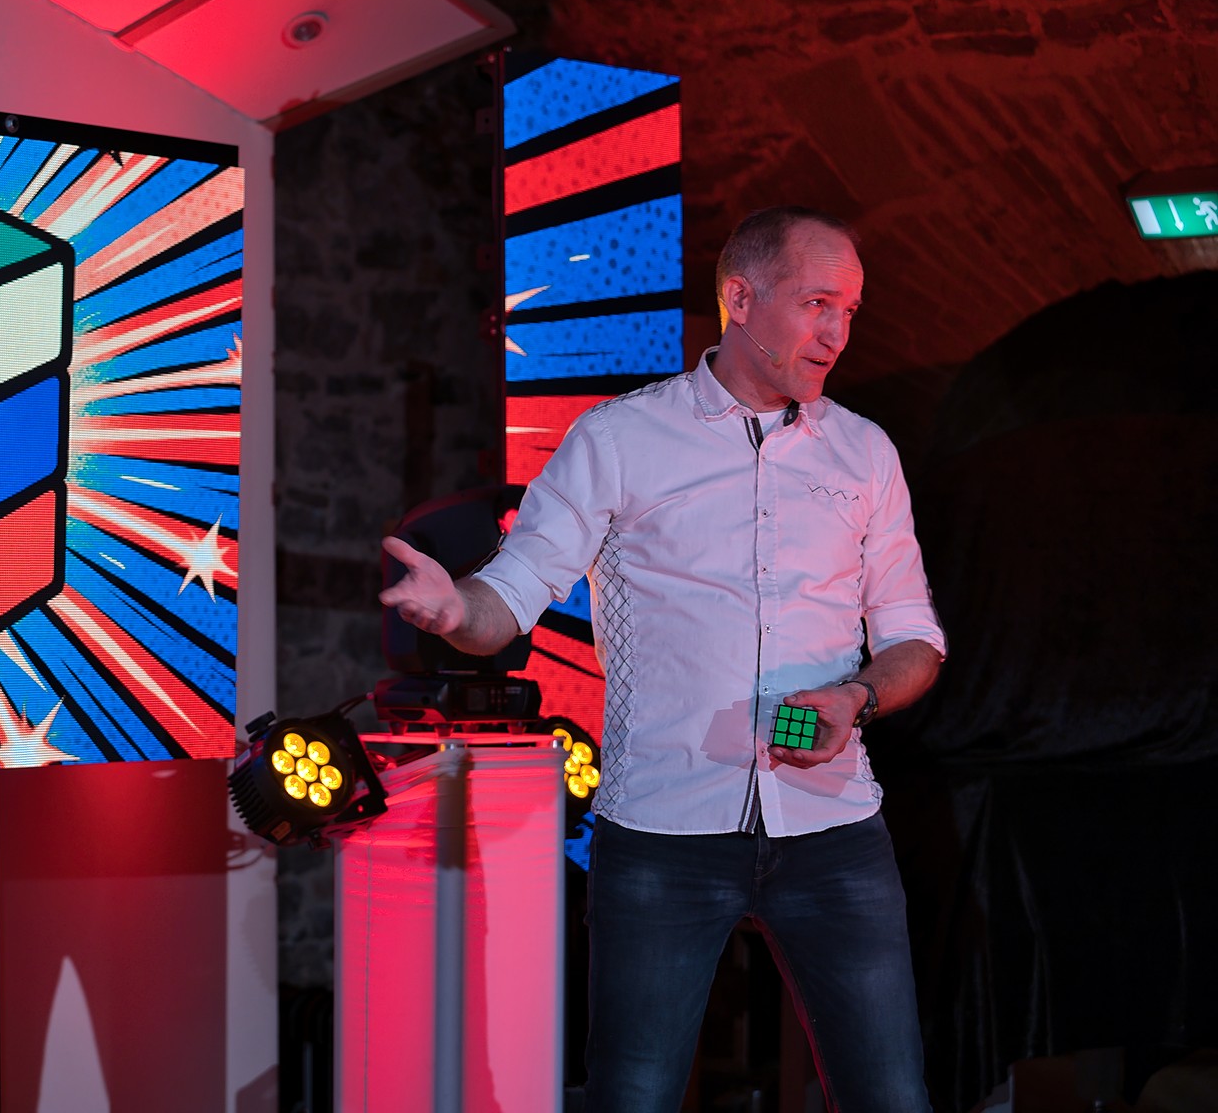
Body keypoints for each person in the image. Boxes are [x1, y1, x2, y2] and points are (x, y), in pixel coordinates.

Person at [381, 207, 945, 1111]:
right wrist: (455, 611)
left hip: (836, 834)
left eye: (849, 310)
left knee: (892, 1095)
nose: (837, 334)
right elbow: (509, 595)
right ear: (740, 299)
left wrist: (858, 699)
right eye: (816, 304)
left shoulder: (865, 452)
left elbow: (914, 637)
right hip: (662, 835)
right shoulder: (619, 439)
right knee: (634, 1096)